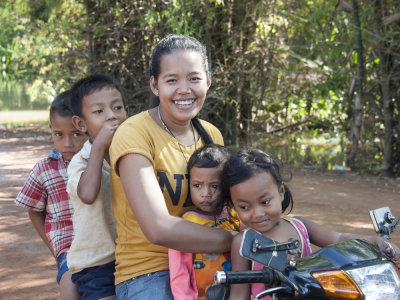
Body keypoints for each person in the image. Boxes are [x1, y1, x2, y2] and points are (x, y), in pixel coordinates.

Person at [109, 34, 234, 299]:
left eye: (194, 78)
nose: (184, 89)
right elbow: (158, 228)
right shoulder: (134, 134)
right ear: (155, 85)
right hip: (150, 271)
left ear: (208, 82)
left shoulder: (212, 135)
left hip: (213, 264)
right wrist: (237, 242)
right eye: (172, 80)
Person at [221, 148, 400, 300]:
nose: (257, 213)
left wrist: (372, 242)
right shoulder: (244, 242)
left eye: (265, 202)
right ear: (233, 206)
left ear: (281, 192)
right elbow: (239, 294)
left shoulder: (300, 226)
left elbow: (339, 238)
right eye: (244, 206)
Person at [14, 90, 87, 300]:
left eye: (76, 134)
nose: (67, 144)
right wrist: (54, 247)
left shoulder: (100, 163)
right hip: (68, 247)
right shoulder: (44, 169)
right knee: (70, 287)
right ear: (51, 130)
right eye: (59, 135)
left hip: (102, 245)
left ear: (87, 128)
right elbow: (34, 211)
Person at [67, 74, 128, 300]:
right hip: (95, 263)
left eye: (117, 107)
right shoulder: (80, 162)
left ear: (127, 113)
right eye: (99, 111)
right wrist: (99, 147)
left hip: (130, 256)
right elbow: (88, 194)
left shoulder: (133, 155)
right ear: (81, 124)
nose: (112, 116)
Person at [168, 144, 240, 300]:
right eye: (197, 186)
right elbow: (180, 271)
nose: (205, 194)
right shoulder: (187, 224)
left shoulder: (235, 216)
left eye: (214, 186)